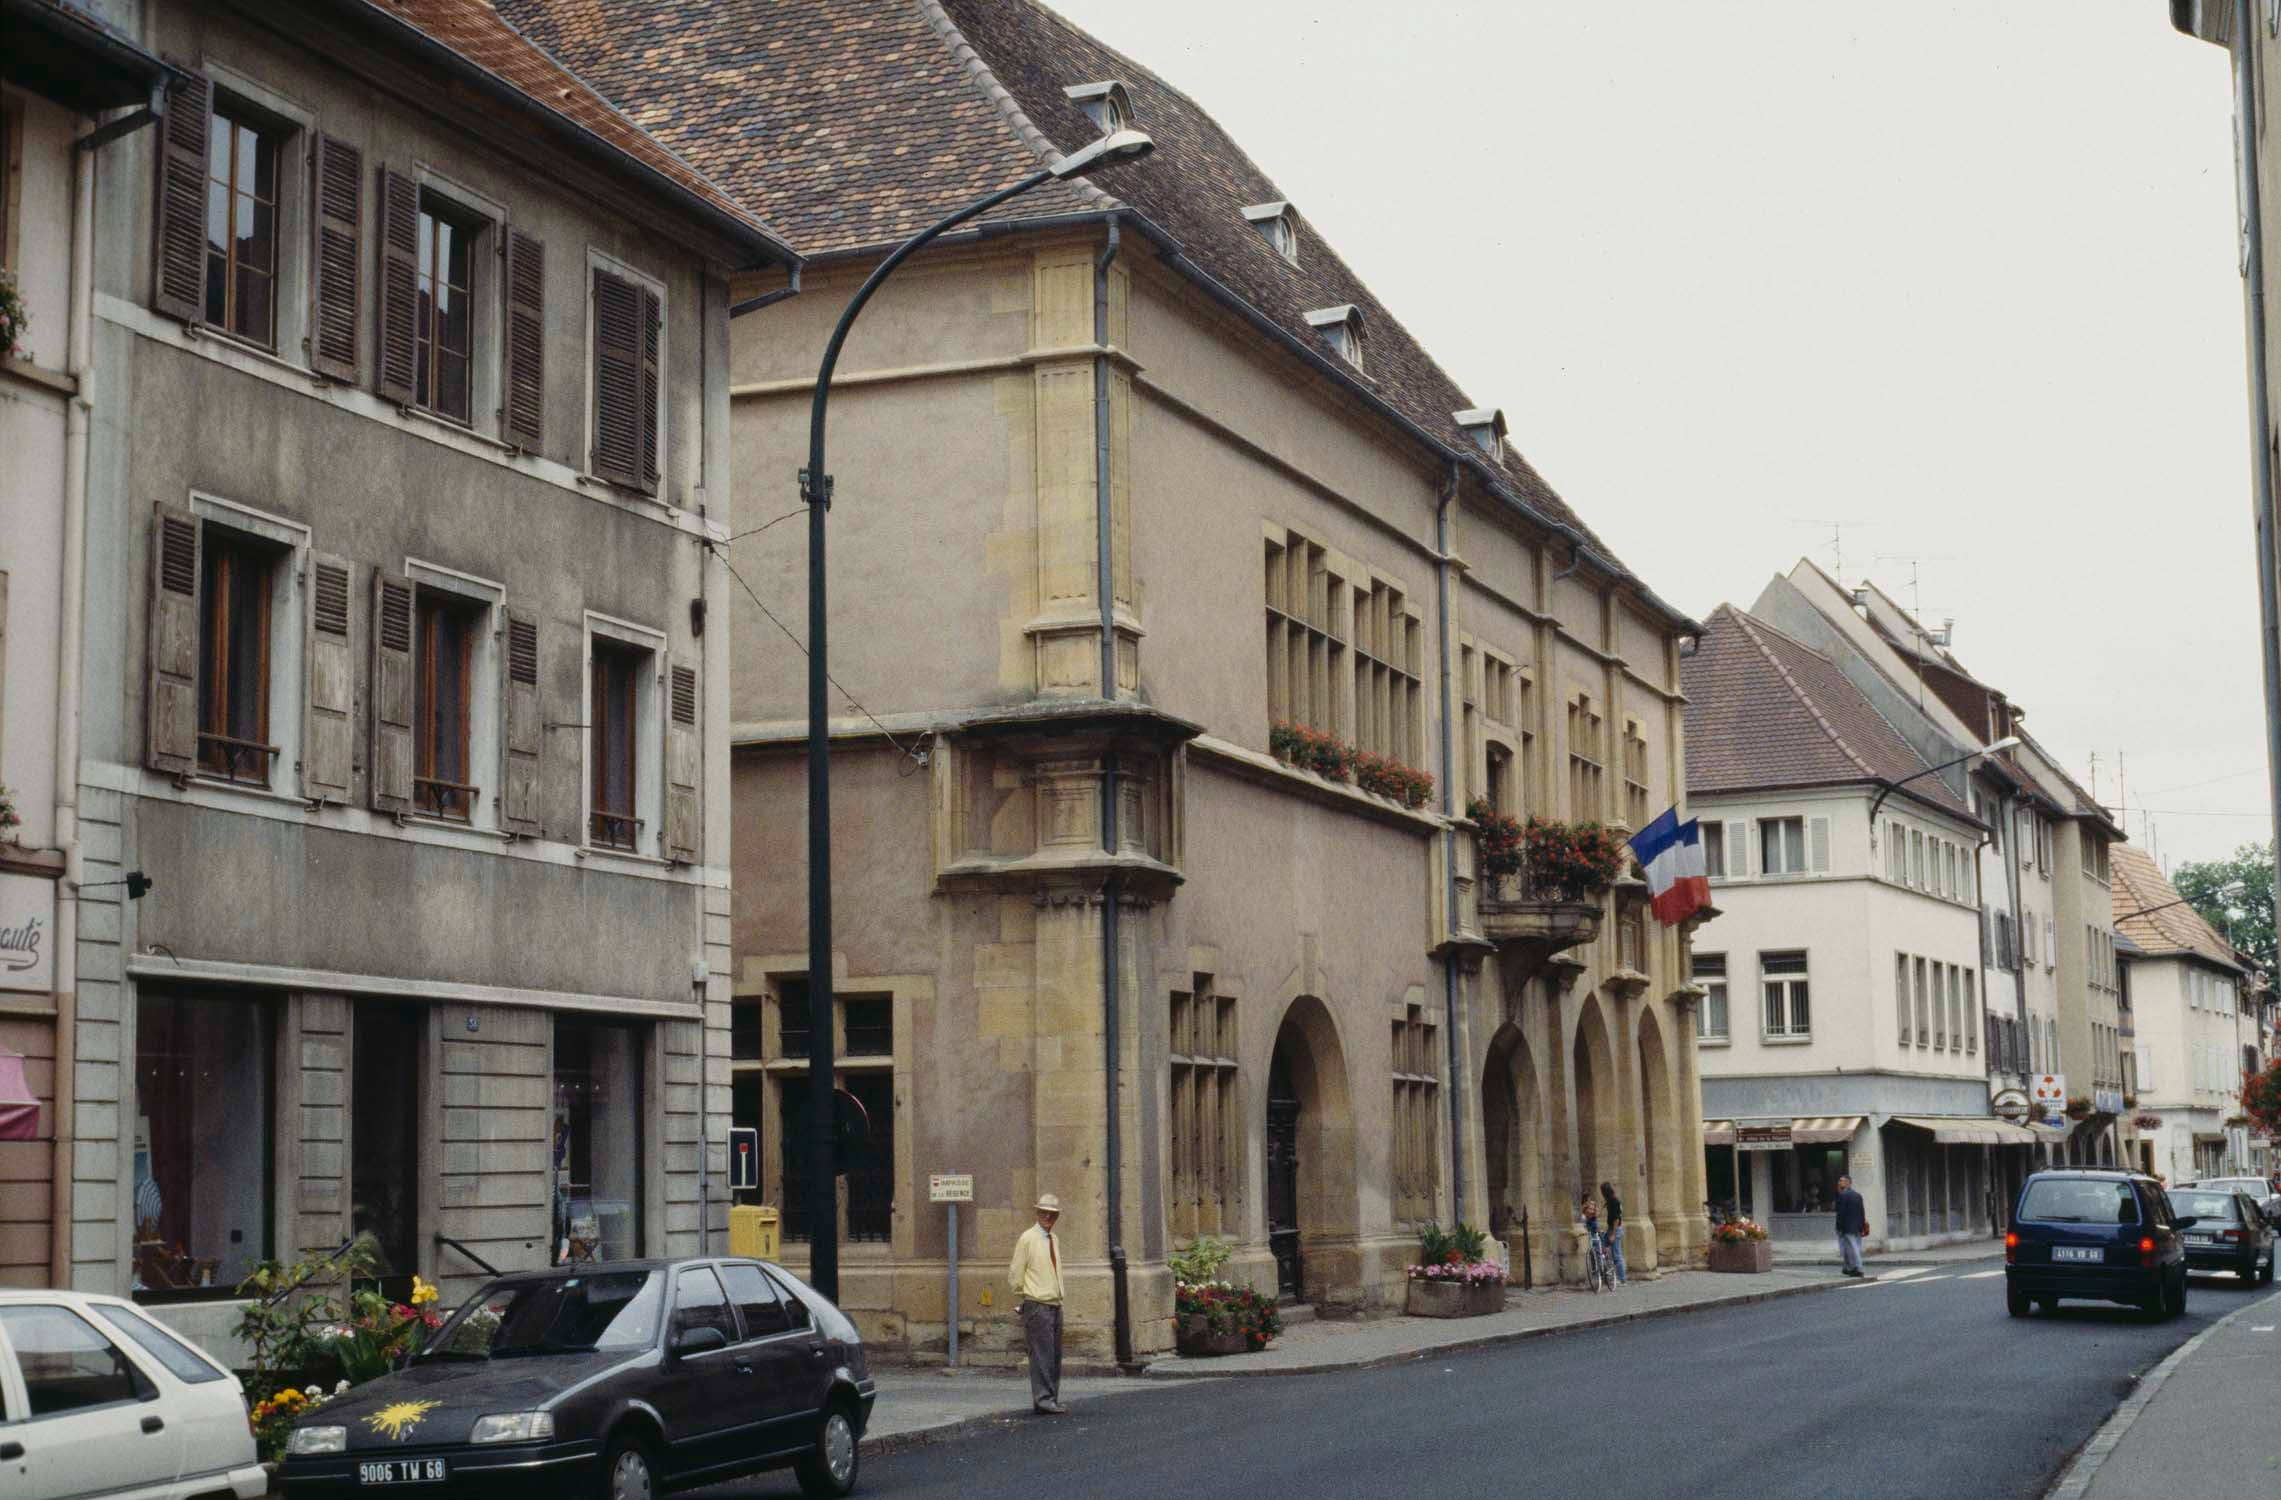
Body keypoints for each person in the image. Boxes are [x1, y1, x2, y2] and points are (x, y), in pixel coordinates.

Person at [1007, 1192, 1067, 1414]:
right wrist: (1027, 1296)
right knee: (1042, 1355)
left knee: (1054, 1355)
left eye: (1052, 1214)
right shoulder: (1028, 1238)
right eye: (1044, 1213)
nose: (1048, 1217)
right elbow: (1016, 1273)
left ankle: (1050, 1398)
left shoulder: (1054, 1239)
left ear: (1057, 1216)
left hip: (1054, 1302)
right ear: (1037, 1213)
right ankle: (1043, 1400)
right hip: (1038, 1303)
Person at [1833, 1173, 1870, 1277]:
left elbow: (1840, 1213)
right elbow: (1862, 1211)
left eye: (1841, 1181)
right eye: (1839, 1181)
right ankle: (1848, 1268)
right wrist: (1862, 1225)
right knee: (1851, 1248)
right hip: (1857, 1227)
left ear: (1848, 1182)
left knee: (1851, 1248)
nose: (1839, 1182)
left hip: (1847, 1227)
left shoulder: (1843, 1195)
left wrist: (1839, 1227)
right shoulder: (1858, 1195)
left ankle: (1858, 1268)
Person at [1599, 1180, 1628, 1285]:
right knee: (1603, 1245)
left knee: (1617, 1254)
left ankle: (1622, 1279)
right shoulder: (1611, 1201)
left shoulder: (1614, 1202)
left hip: (1615, 1229)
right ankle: (1607, 1271)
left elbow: (1616, 1219)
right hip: (1611, 1229)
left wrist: (1613, 1234)